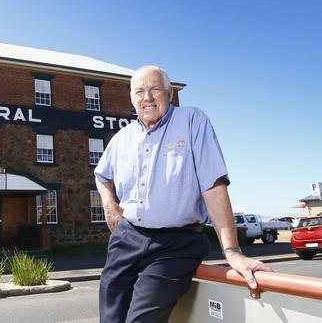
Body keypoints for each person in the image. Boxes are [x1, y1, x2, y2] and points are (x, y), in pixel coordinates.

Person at [94, 65, 272, 323]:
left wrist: (232, 252)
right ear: (132, 98)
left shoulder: (192, 121)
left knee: (140, 319)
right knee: (110, 317)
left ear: (169, 94)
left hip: (175, 243)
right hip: (127, 237)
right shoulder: (122, 138)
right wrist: (109, 203)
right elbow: (101, 176)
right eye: (140, 91)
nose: (147, 97)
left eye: (155, 89)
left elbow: (213, 186)